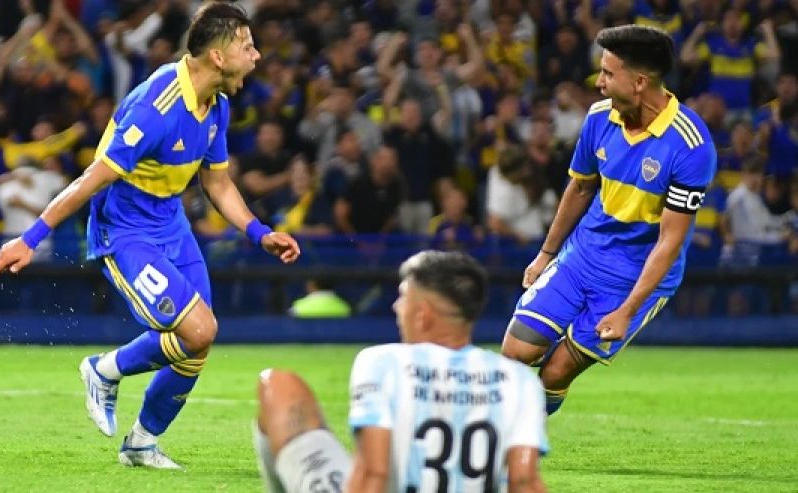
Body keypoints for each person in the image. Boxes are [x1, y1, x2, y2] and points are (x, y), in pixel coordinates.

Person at [0, 3, 301, 469]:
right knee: (199, 329)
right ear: (218, 57)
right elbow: (92, 179)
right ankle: (103, 370)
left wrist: (260, 232)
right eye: (248, 46)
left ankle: (141, 442)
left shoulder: (216, 103)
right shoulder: (158, 107)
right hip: (125, 230)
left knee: (198, 342)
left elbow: (217, 182)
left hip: (171, 224)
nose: (256, 56)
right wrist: (30, 239)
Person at [501, 25, 717, 416]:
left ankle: (520, 440)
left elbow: (669, 242)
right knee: (515, 353)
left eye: (607, 73)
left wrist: (627, 311)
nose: (599, 83)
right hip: (581, 257)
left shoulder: (691, 146)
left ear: (639, 82)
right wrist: (546, 253)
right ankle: (510, 434)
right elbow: (581, 187)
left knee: (554, 373)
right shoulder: (599, 117)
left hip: (632, 277)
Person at [254, 250, 548, 493]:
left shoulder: (384, 363)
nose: (396, 306)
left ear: (423, 313)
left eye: (404, 296)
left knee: (277, 385)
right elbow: (524, 482)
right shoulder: (520, 381)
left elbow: (373, 473)